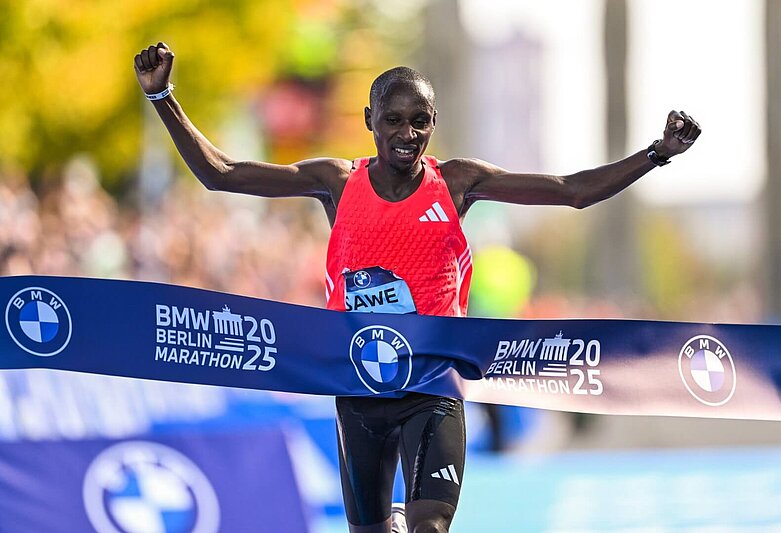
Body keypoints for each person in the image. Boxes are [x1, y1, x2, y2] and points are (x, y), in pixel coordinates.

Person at [134, 42, 701, 533]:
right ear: (369, 120)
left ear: (434, 122)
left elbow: (571, 190)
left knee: (429, 525)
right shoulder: (337, 183)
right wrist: (164, 98)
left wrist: (656, 155)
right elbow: (221, 174)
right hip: (358, 387)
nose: (407, 134)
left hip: (433, 383)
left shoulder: (457, 182)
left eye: (420, 121)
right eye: (394, 119)